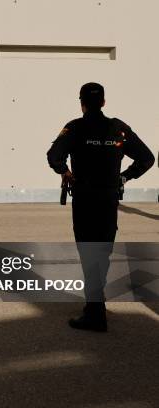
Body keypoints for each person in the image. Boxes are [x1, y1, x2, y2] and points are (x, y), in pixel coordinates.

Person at [47, 82, 155, 331]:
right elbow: (146, 158)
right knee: (103, 251)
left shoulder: (75, 127)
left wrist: (64, 171)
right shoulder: (118, 128)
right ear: (103, 102)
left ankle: (95, 312)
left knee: (88, 252)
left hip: (85, 200)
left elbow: (53, 156)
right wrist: (124, 177)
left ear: (82, 103)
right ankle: (96, 305)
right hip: (108, 200)